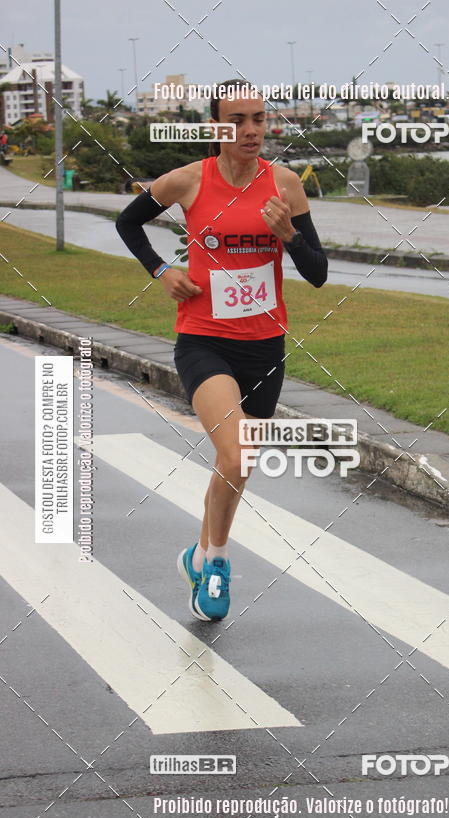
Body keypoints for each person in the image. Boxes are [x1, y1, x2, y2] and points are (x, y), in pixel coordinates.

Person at [116, 79, 328, 622]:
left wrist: (289, 236)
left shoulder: (284, 184)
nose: (251, 130)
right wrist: (162, 270)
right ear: (216, 127)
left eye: (259, 118)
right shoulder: (188, 180)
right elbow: (128, 222)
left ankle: (197, 553)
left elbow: (318, 273)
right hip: (204, 339)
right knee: (234, 455)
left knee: (238, 464)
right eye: (237, 120)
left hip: (265, 346)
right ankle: (217, 562)